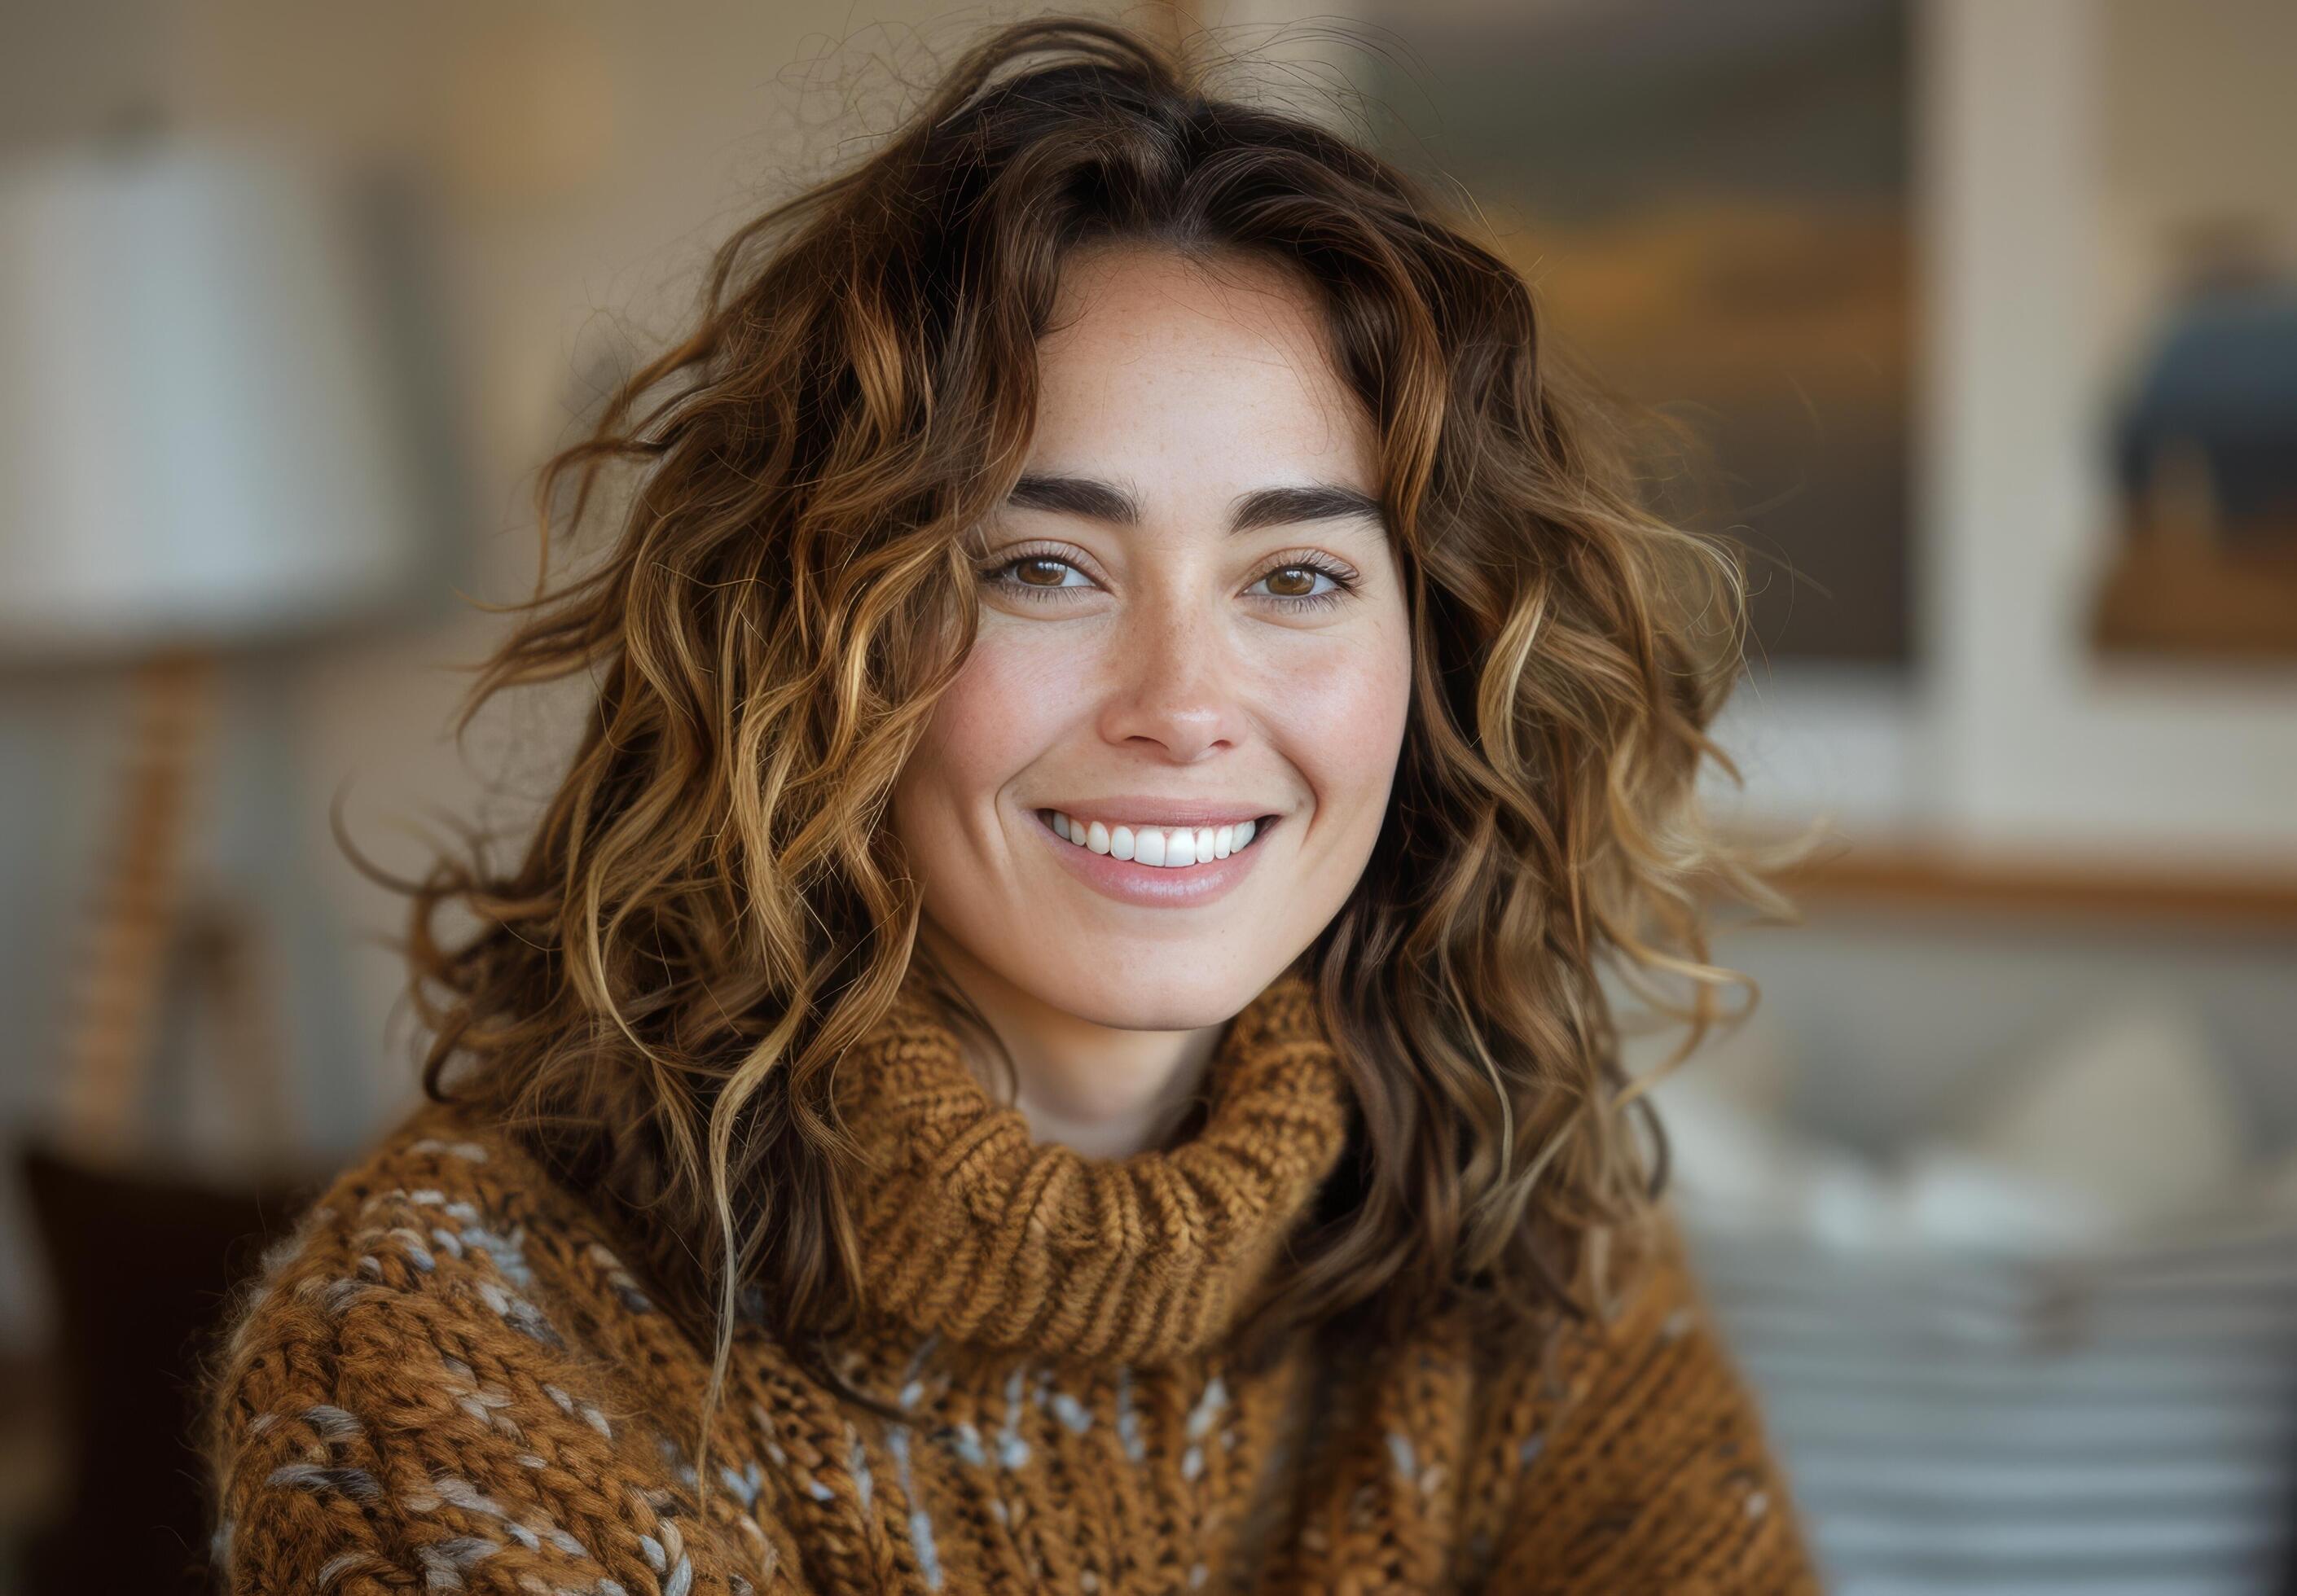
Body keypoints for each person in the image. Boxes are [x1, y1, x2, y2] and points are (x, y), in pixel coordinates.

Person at [200, 15, 1820, 1593]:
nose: (1184, 701)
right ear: (813, 633)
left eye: (1299, 573)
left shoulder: (1528, 1244)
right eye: (1042, 566)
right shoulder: (462, 1334)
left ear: (1439, 655)